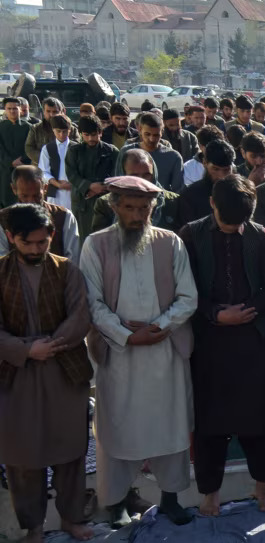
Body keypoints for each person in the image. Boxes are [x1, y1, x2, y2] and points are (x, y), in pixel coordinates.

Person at [80, 175, 198, 527]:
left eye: (144, 208)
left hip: (165, 352)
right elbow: (92, 303)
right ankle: (115, 502)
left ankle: (172, 499)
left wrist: (158, 327)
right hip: (119, 355)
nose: (137, 215)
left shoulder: (170, 242)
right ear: (114, 206)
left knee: (171, 428)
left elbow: (188, 296)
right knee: (117, 430)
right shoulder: (95, 245)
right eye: (129, 208)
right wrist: (127, 336)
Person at [178, 175, 265, 516]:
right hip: (209, 343)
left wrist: (249, 311)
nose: (233, 228)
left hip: (253, 343)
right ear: (212, 204)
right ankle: (210, 494)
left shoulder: (261, 237)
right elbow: (185, 289)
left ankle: (263, 488)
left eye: (239, 223)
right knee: (210, 424)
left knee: (259, 419)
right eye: (227, 222)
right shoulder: (190, 236)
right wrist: (215, 314)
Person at [0, 203, 94, 543]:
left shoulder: (67, 270)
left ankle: (71, 519)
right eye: (30, 244)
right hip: (15, 376)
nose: (38, 250)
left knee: (70, 451)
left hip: (63, 370)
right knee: (22, 457)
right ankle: (34, 527)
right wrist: (26, 350)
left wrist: (47, 346)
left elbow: (80, 317)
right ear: (11, 238)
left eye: (44, 242)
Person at [0, 166, 80, 263]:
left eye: (36, 196)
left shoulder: (64, 216)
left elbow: (73, 258)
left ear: (45, 188)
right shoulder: (3, 220)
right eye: (24, 196)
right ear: (14, 189)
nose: (31, 201)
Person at [92, 150, 181, 232]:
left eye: (146, 175)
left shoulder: (173, 201)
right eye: (134, 175)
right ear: (123, 175)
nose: (141, 181)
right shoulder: (106, 204)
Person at [66, 115, 118, 238]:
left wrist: (101, 188)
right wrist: (89, 186)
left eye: (94, 134)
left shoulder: (111, 151)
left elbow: (118, 175)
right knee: (85, 238)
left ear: (100, 133)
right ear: (81, 134)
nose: (90, 138)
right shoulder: (74, 151)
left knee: (105, 239)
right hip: (82, 202)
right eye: (86, 135)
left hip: (106, 201)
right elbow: (71, 175)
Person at [114, 112, 184, 193]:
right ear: (140, 129)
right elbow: (118, 183)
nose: (152, 139)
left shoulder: (174, 157)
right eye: (147, 134)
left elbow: (178, 191)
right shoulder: (126, 152)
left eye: (156, 135)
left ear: (162, 132)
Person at [179, 139, 235, 227]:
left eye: (226, 170)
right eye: (216, 169)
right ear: (204, 163)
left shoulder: (240, 193)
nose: (221, 176)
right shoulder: (190, 195)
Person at [25, 98, 79, 166]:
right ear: (44, 112)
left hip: (65, 167)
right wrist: (46, 159)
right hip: (41, 168)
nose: (51, 114)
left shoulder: (72, 129)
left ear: (62, 112)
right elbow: (29, 148)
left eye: (55, 112)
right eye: (48, 111)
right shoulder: (36, 128)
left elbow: (76, 147)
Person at [0, 97, 33, 208]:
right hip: (4, 170)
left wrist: (22, 160)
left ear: (20, 109)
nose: (12, 111)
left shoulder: (29, 127)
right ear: (5, 109)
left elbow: (31, 147)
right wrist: (10, 162)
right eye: (9, 108)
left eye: (15, 108)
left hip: (23, 169)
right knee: (5, 201)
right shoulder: (1, 127)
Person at [38, 114, 74, 210]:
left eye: (64, 131)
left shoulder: (76, 147)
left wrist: (73, 184)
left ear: (69, 131)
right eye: (58, 131)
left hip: (73, 191)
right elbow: (43, 171)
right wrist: (58, 184)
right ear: (53, 130)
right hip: (55, 193)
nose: (61, 135)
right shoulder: (47, 148)